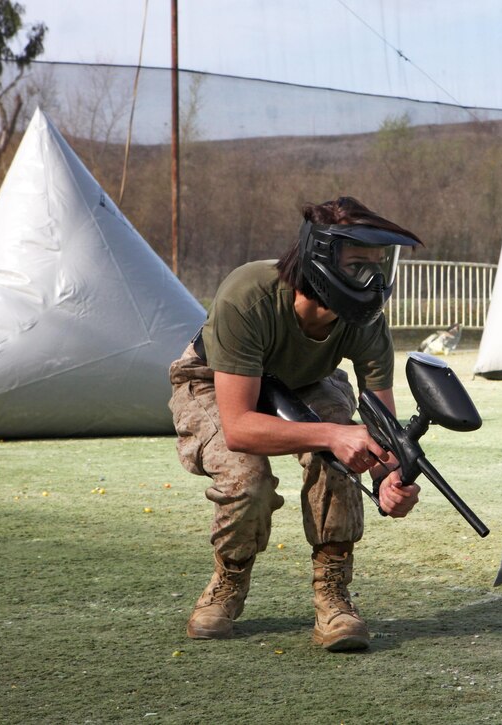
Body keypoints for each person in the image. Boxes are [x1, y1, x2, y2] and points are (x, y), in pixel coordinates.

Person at [168, 196, 422, 652]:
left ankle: (333, 595)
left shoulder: (365, 321)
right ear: (321, 259)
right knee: (247, 477)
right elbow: (241, 427)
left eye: (380, 265)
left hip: (305, 381)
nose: (374, 278)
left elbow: (378, 423)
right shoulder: (248, 294)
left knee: (345, 453)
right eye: (359, 264)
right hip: (213, 382)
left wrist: (389, 476)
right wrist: (331, 434)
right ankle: (229, 578)